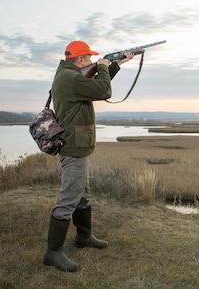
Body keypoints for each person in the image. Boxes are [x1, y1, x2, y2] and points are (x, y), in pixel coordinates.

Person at [43, 40, 133, 272]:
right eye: (90, 58)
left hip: (78, 144)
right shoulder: (70, 78)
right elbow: (103, 90)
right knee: (69, 198)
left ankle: (84, 237)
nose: (92, 61)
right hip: (74, 147)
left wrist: (115, 65)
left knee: (82, 195)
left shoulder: (69, 75)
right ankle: (53, 253)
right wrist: (103, 66)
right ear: (80, 59)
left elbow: (92, 88)